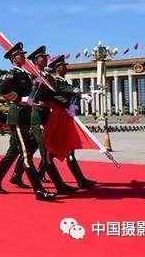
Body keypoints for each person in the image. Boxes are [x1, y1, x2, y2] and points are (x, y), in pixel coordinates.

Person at [0, 42, 56, 201]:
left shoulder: (24, 73)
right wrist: (19, 99)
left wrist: (35, 88)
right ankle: (39, 191)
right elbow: (2, 90)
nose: (24, 56)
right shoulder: (13, 73)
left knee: (12, 152)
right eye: (21, 55)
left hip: (25, 115)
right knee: (26, 155)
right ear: (14, 58)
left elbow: (31, 92)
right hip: (17, 116)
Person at [9, 46, 78, 195]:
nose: (46, 59)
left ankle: (15, 175)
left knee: (32, 148)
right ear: (36, 60)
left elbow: (53, 94)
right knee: (45, 152)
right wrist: (22, 99)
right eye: (43, 57)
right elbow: (21, 93)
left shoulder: (45, 75)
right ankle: (57, 186)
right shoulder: (32, 75)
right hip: (37, 115)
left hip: (47, 115)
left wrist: (69, 104)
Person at [48, 55, 97, 189]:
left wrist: (72, 104)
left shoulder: (63, 81)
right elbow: (68, 90)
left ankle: (80, 180)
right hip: (59, 119)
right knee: (55, 151)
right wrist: (81, 94)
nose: (65, 67)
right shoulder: (58, 82)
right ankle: (80, 180)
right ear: (57, 68)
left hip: (65, 118)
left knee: (62, 150)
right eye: (63, 65)